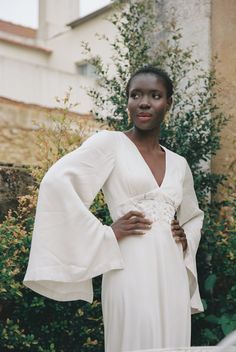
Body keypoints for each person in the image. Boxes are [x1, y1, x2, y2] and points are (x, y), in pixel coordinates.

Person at [24, 66, 204, 352]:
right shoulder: (109, 144)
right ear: (128, 102)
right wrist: (105, 232)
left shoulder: (179, 163)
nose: (144, 102)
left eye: (155, 95)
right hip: (129, 267)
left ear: (168, 102)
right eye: (136, 95)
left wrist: (186, 236)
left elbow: (193, 215)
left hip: (172, 273)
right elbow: (57, 184)